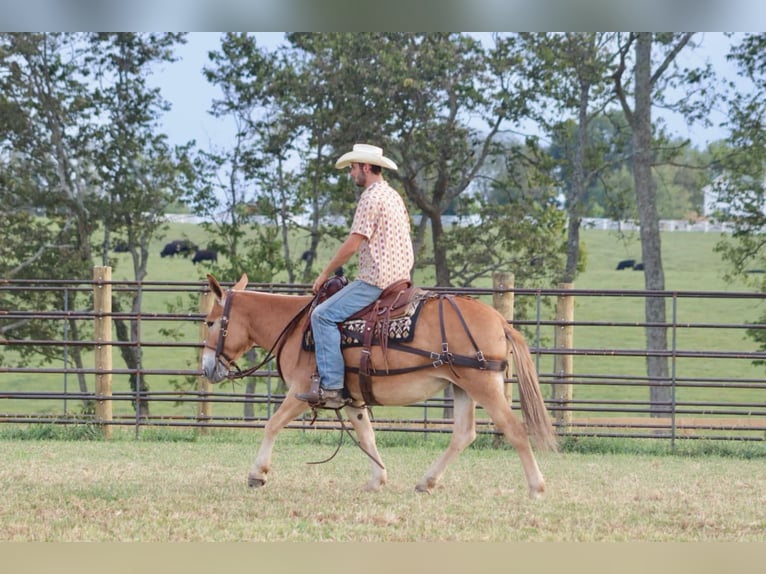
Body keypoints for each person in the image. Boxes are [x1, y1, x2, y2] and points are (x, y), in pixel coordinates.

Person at [296, 143, 414, 409]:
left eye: (353, 167)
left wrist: (325, 273)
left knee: (322, 315)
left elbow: (353, 243)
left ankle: (333, 387)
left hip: (376, 281)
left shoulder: (370, 198)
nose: (351, 173)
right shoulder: (394, 196)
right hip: (400, 278)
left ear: (366, 167)